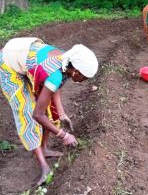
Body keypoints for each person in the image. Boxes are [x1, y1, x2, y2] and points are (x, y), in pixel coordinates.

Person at [0, 37, 98, 185]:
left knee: (50, 109)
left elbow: (54, 87)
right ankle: (44, 167)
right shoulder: (55, 72)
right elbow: (37, 114)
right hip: (8, 63)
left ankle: (44, 148)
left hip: (26, 57)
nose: (85, 80)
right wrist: (63, 135)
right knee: (26, 111)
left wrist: (62, 113)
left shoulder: (67, 61)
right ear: (76, 72)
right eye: (85, 77)